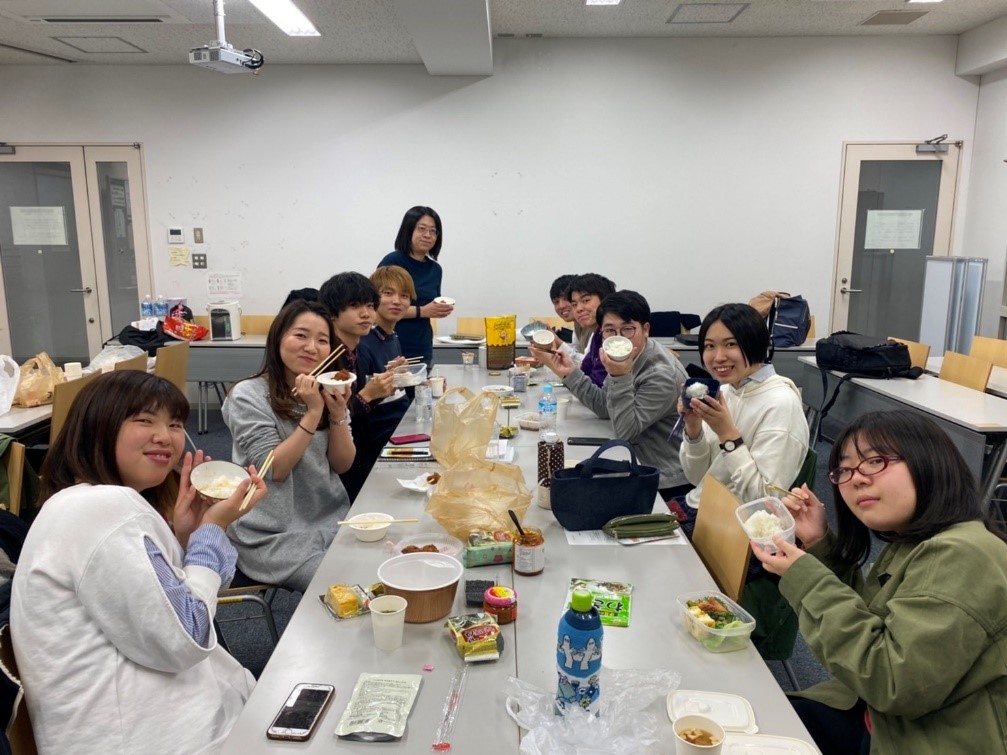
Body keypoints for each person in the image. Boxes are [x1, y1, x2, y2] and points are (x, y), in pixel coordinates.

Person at [11, 370, 267, 754]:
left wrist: (186, 539)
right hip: (157, 739)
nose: (165, 436)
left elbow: (173, 604)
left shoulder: (88, 504)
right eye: (144, 420)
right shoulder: (101, 508)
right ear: (98, 427)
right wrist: (211, 531)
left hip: (164, 722)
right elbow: (187, 636)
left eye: (175, 424)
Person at [753, 410, 1007, 755]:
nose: (856, 480)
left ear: (930, 461)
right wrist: (819, 543)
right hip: (872, 717)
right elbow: (873, 621)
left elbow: (891, 680)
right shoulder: (915, 540)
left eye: (875, 461)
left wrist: (805, 578)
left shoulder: (964, 555)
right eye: (844, 469)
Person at [223, 299, 355, 591]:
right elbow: (275, 469)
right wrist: (313, 412)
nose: (311, 347)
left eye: (322, 340)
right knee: (344, 587)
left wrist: (337, 413)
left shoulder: (326, 389)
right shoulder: (248, 395)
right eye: (301, 335)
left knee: (379, 564)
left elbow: (342, 464)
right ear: (278, 338)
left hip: (332, 519)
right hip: (271, 534)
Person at [534, 290, 690, 496]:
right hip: (632, 462)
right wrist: (568, 372)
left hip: (663, 480)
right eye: (609, 330)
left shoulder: (661, 374)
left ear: (645, 329)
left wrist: (620, 376)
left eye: (627, 329)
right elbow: (604, 407)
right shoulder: (622, 356)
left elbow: (625, 432)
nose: (618, 338)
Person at [678, 303, 809, 529]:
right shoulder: (726, 390)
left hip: (735, 527)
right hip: (701, 507)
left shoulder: (781, 404)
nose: (718, 357)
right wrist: (694, 427)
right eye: (710, 346)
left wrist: (727, 435)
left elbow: (764, 502)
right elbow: (696, 477)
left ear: (756, 344)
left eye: (731, 344)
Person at [318, 272, 397, 501]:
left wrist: (383, 388)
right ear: (332, 313)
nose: (366, 313)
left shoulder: (358, 350)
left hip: (362, 446)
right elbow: (329, 418)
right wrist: (367, 395)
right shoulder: (326, 358)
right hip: (335, 464)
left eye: (370, 305)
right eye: (354, 306)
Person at [377, 206, 453, 365]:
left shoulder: (435, 269)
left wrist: (439, 309)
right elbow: (380, 306)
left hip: (422, 346)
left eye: (433, 231)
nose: (427, 235)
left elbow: (431, 305)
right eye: (422, 229)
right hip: (392, 346)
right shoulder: (393, 261)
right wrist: (423, 311)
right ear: (409, 230)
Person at [565, 273, 616, 387]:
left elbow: (596, 388)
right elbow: (585, 372)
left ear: (605, 300)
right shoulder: (597, 334)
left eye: (586, 300)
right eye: (574, 304)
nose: (578, 309)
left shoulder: (614, 338)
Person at [549, 274, 589, 351]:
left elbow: (586, 358)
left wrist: (559, 343)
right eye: (556, 302)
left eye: (565, 299)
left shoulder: (592, 326)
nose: (561, 306)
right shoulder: (577, 324)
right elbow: (576, 351)